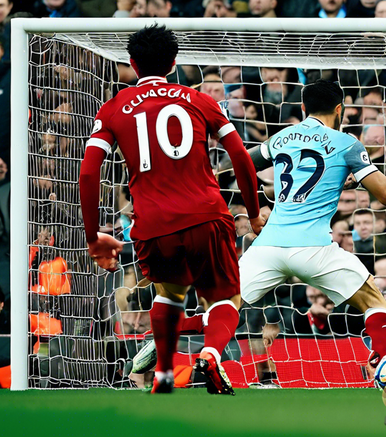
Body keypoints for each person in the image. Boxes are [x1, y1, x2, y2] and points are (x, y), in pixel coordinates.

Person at [79, 25, 262, 395]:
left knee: (169, 293)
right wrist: (254, 210)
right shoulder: (199, 100)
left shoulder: (114, 107)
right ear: (174, 62)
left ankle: (162, 376)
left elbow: (88, 171)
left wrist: (93, 235)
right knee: (225, 298)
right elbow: (241, 155)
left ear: (132, 63)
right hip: (206, 215)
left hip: (153, 223)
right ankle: (210, 354)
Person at [233, 79, 386, 367]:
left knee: (221, 308)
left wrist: (255, 210)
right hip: (314, 249)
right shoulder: (347, 143)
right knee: (374, 302)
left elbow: (242, 164)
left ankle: (176, 347)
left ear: (303, 107)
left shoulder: (281, 138)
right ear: (339, 108)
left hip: (267, 246)